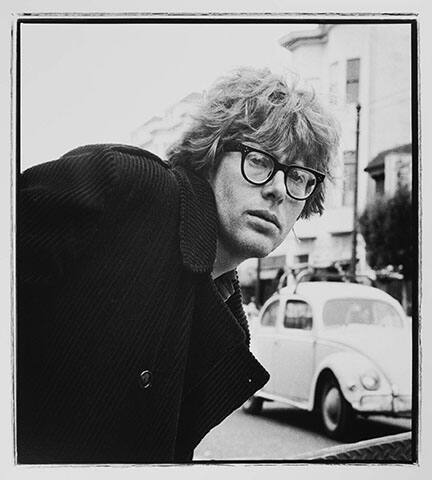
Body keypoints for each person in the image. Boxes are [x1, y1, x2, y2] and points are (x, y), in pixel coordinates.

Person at [16, 67, 339, 464]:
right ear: (213, 153)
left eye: (300, 176)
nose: (277, 189)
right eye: (259, 160)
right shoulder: (126, 189)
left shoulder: (230, 327)